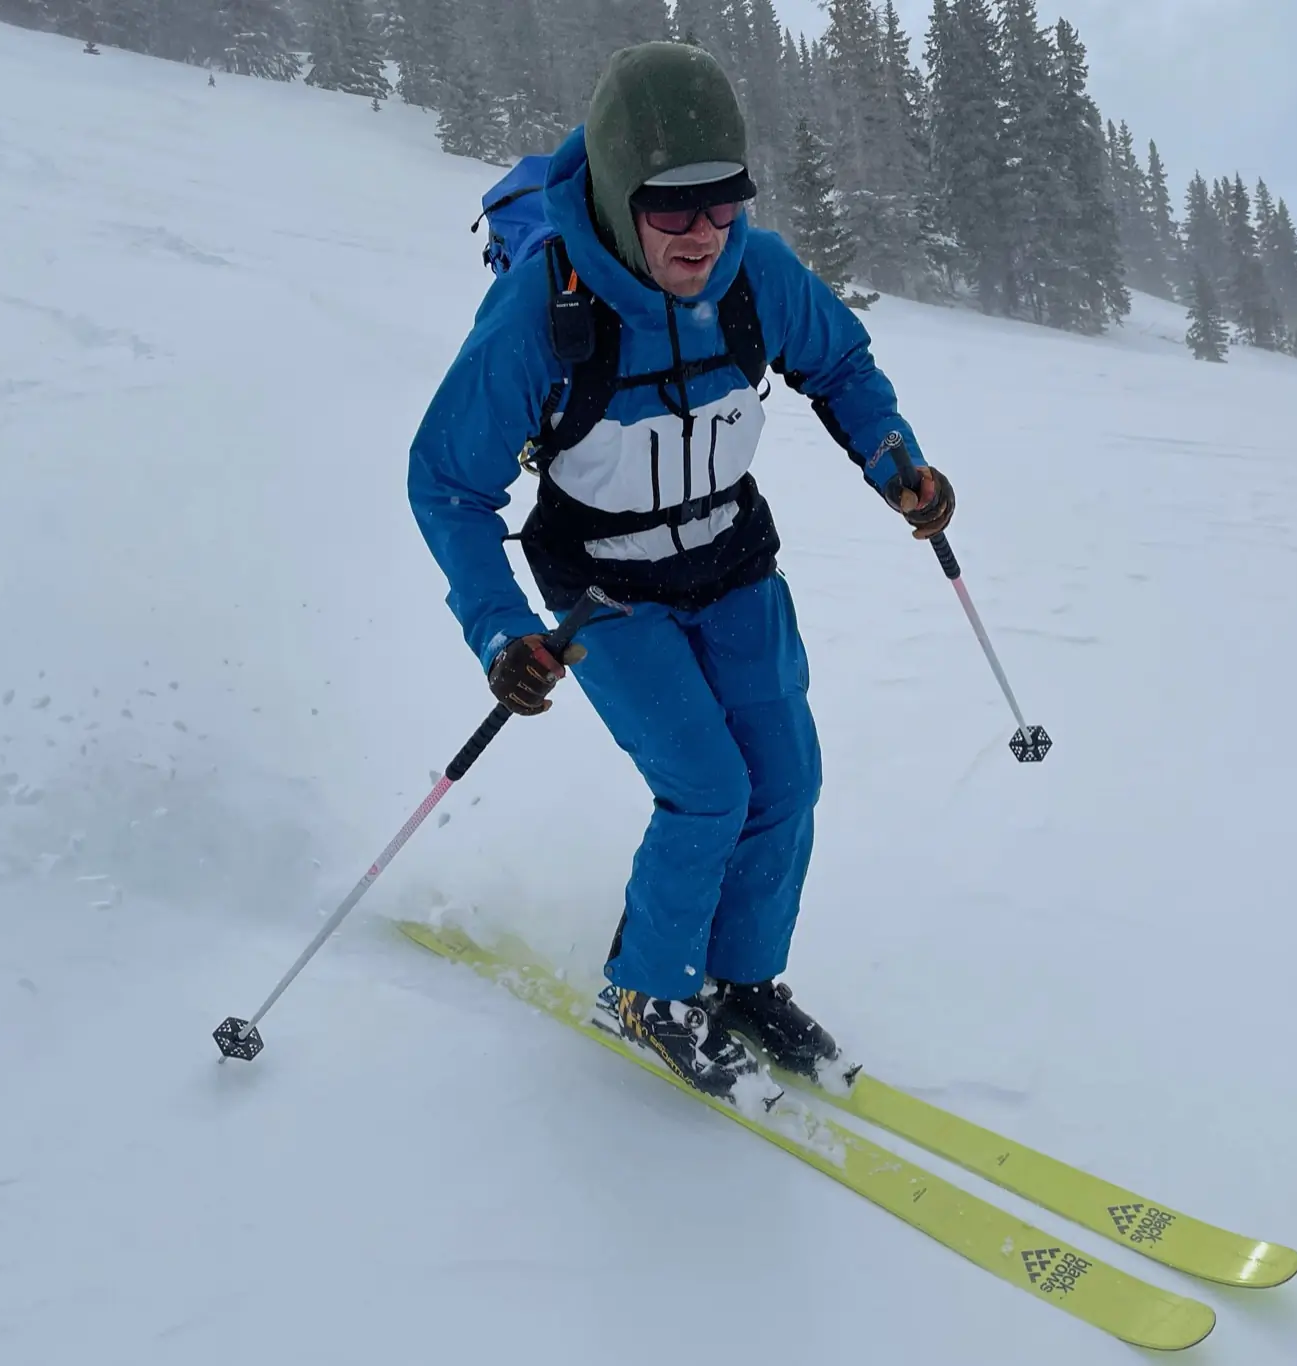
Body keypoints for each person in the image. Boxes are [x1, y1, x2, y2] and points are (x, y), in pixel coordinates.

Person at [408, 42, 953, 1107]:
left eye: (723, 199)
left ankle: (743, 980)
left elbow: (839, 362)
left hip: (734, 564)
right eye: (669, 207)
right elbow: (447, 486)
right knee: (708, 789)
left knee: (784, 780)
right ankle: (648, 990)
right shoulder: (540, 313)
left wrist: (896, 462)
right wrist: (499, 629)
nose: (702, 231)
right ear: (620, 197)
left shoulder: (760, 272)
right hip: (605, 591)